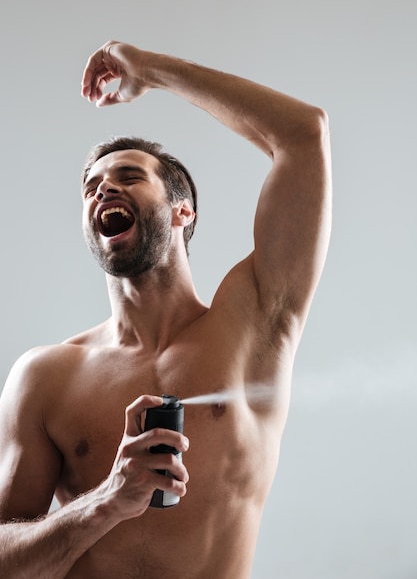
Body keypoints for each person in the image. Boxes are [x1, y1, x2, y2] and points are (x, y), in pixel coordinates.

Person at [0, 40, 332, 578]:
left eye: (129, 176)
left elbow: (303, 134)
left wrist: (152, 72)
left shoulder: (253, 325)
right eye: (91, 187)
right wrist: (106, 501)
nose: (103, 187)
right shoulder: (44, 376)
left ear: (183, 211)